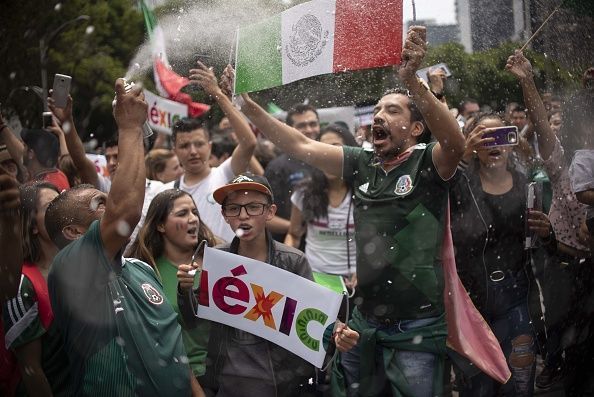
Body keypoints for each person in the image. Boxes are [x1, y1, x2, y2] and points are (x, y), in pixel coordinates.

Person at [233, 26, 466, 396]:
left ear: (416, 128)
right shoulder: (361, 163)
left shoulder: (427, 163)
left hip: (417, 327)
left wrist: (412, 81)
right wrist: (249, 108)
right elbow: (298, 143)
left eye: (392, 110)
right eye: (376, 110)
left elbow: (455, 142)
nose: (379, 115)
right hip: (363, 323)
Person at [43, 79, 194, 396]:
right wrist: (129, 127)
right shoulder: (69, 269)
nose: (109, 205)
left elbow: (171, 341)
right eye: (101, 203)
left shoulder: (141, 269)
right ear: (74, 232)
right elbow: (125, 214)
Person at [177, 172, 358, 396]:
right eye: (234, 208)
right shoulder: (216, 260)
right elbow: (193, 321)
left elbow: (314, 316)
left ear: (270, 212)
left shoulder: (293, 261)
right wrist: (185, 290)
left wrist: (337, 331)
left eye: (253, 207)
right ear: (224, 215)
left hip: (282, 384)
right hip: (227, 384)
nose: (243, 216)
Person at [507, 50, 593, 395]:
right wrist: (527, 79)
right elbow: (541, 125)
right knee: (566, 355)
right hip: (567, 269)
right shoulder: (562, 161)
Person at [450, 113, 551, 396]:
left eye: (500, 136)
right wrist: (463, 156)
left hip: (516, 300)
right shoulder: (460, 186)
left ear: (511, 141)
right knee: (477, 389)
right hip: (471, 303)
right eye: (483, 136)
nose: (492, 143)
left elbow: (541, 248)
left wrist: (547, 233)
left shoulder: (527, 187)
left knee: (518, 387)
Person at [129, 189, 219, 396]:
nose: (193, 219)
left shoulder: (219, 261)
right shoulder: (147, 273)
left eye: (195, 212)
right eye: (182, 213)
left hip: (227, 374)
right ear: (160, 225)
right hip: (179, 379)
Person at [165, 62, 257, 242]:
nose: (193, 151)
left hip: (227, 269)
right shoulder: (168, 192)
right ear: (173, 150)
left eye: (199, 144)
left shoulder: (224, 175)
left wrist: (218, 94)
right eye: (184, 146)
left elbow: (249, 143)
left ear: (209, 145)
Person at [3, 182, 71, 396]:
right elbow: (31, 369)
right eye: (52, 206)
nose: (62, 210)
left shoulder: (74, 265)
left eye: (63, 201)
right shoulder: (22, 283)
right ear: (32, 225)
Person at [285, 124, 358, 287]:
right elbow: (294, 235)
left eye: (335, 149)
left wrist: (365, 270)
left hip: (356, 283)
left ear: (352, 152)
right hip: (315, 279)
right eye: (322, 149)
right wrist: (287, 266)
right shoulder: (304, 192)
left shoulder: (366, 192)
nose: (327, 156)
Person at [264, 104, 320, 242]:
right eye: (301, 125)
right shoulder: (277, 167)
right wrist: (295, 227)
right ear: (289, 129)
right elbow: (264, 216)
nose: (308, 130)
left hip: (326, 248)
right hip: (289, 247)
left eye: (313, 124)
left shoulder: (332, 161)